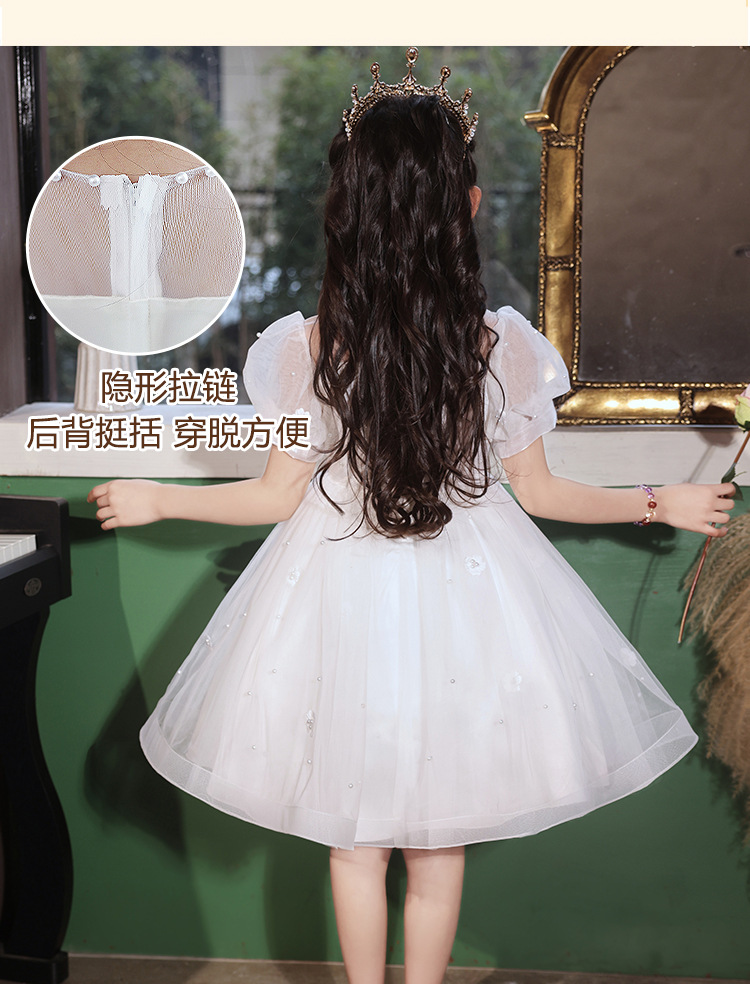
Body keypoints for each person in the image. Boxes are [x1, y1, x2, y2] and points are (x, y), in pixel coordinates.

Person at [88, 49, 734, 984]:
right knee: (434, 841)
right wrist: (656, 500)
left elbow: (276, 496)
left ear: (348, 212)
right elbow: (541, 493)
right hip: (463, 601)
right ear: (461, 209)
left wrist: (161, 500)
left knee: (359, 843)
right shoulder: (495, 348)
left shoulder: (312, 348)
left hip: (339, 594)